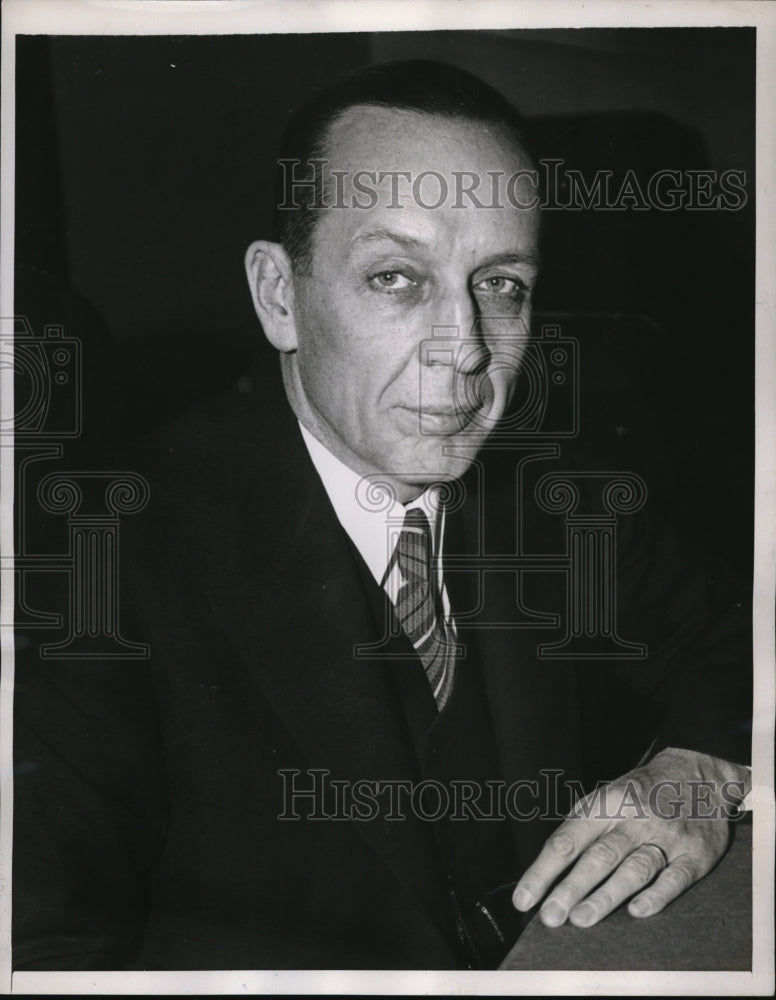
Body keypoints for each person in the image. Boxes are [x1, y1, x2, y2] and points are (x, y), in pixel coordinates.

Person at [13, 60, 751, 971]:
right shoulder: (101, 561)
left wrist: (697, 772)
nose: (467, 349)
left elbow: (732, 637)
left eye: (501, 284)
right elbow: (46, 946)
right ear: (279, 296)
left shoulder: (553, 498)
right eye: (398, 278)